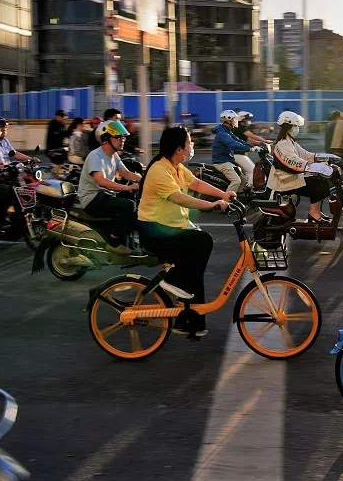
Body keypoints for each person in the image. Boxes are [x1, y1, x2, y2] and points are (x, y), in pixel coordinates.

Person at [137, 126, 234, 336]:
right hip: (154, 232)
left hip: (170, 229)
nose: (192, 146)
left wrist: (224, 195)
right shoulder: (159, 171)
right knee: (203, 242)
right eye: (189, 142)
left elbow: (197, 184)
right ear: (179, 149)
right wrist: (210, 205)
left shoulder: (177, 167)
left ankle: (190, 322)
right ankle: (172, 281)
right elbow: (179, 198)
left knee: (194, 270)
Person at [77, 121, 142, 256]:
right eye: (118, 137)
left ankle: (125, 238)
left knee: (135, 202)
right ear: (105, 139)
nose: (122, 140)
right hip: (92, 199)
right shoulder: (96, 156)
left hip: (105, 195)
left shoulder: (113, 155)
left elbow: (126, 173)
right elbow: (102, 182)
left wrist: (146, 179)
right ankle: (113, 242)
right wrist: (127, 187)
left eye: (123, 137)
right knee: (128, 206)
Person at [269, 111, 333, 222]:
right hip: (283, 181)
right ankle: (313, 213)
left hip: (289, 177)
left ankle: (317, 212)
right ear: (288, 126)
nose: (297, 129)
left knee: (320, 180)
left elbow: (305, 154)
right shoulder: (283, 144)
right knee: (317, 184)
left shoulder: (290, 141)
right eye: (296, 126)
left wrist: (326, 157)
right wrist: (316, 167)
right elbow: (294, 163)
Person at [211, 110, 255, 193]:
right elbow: (233, 144)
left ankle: (238, 197)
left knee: (244, 179)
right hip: (221, 162)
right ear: (228, 120)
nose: (236, 121)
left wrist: (253, 147)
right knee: (236, 181)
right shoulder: (222, 133)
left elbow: (238, 140)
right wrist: (249, 149)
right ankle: (226, 201)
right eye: (234, 119)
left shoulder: (227, 131)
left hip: (227, 161)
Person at [232, 111, 266, 187]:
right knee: (252, 170)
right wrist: (265, 141)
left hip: (237, 154)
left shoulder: (238, 129)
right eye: (247, 120)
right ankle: (250, 189)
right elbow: (251, 136)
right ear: (241, 120)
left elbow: (249, 140)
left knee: (246, 172)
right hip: (238, 155)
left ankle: (246, 186)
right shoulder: (239, 128)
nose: (248, 122)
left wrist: (260, 143)